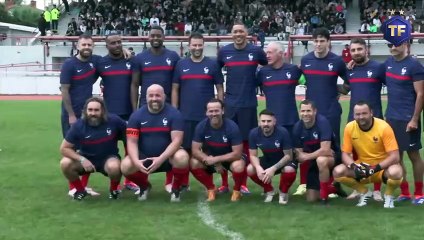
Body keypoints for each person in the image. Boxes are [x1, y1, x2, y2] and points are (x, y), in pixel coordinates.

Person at [295, 27, 348, 196]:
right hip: (309, 113)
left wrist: (337, 90)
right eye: (316, 41)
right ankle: (304, 183)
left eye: (322, 41)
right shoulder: (305, 60)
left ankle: (333, 184)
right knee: (306, 146)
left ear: (328, 42)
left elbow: (350, 82)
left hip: (331, 112)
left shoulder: (337, 61)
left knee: (332, 148)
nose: (318, 44)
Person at [217, 22, 268, 194]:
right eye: (235, 32)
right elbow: (216, 73)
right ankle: (224, 183)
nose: (238, 34)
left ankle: (242, 182)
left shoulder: (256, 51)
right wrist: (220, 99)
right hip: (230, 104)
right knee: (225, 143)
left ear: (246, 34)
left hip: (248, 104)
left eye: (241, 31)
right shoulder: (224, 52)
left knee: (246, 143)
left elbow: (268, 65)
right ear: (231, 34)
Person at [171, 32, 224, 192]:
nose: (197, 47)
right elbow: (175, 88)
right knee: (185, 150)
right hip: (185, 115)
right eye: (194, 45)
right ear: (189, 46)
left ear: (203, 45)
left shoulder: (212, 64)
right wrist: (174, 111)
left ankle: (223, 184)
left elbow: (220, 87)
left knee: (213, 149)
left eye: (199, 45)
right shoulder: (181, 64)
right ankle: (184, 183)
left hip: (207, 117)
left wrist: (220, 107)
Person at [121, 84, 189, 202]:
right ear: (146, 97)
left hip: (167, 157)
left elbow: (177, 141)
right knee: (125, 166)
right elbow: (131, 142)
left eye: (157, 95)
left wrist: (160, 159)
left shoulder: (174, 114)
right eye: (151, 95)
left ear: (164, 96)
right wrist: (136, 162)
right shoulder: (136, 116)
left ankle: (176, 189)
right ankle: (144, 186)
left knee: (182, 157)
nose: (154, 98)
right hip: (145, 157)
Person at [333, 101, 402, 208]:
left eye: (364, 113)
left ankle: (388, 195)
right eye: (357, 114)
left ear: (371, 113)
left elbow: (395, 156)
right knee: (338, 172)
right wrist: (354, 167)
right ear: (353, 115)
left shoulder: (384, 127)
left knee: (396, 172)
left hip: (382, 168)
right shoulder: (349, 127)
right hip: (362, 166)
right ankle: (364, 192)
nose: (361, 117)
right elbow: (345, 154)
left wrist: (375, 168)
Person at [343, 38, 386, 200]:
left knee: (376, 153)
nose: (356, 53)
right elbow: (345, 89)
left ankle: (376, 190)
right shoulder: (350, 70)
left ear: (366, 50)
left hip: (375, 119)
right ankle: (358, 188)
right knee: (354, 154)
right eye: (353, 50)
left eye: (359, 49)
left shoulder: (378, 67)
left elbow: (392, 85)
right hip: (353, 119)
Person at [59, 97, 126, 200]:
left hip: (108, 158)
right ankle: (80, 191)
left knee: (114, 167)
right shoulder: (78, 126)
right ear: (85, 111)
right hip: (86, 158)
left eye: (96, 110)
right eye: (90, 110)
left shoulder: (114, 121)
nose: (93, 113)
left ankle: (113, 191)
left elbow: (130, 135)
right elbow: (64, 148)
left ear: (103, 111)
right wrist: (82, 159)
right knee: (65, 163)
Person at [60, 34, 102, 196]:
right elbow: (64, 90)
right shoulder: (69, 64)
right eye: (83, 44)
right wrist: (71, 115)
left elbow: (110, 57)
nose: (86, 47)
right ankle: (73, 187)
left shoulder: (94, 62)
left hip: (87, 114)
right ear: (78, 46)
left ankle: (83, 186)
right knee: (72, 149)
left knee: (87, 149)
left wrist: (126, 50)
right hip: (71, 114)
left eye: (89, 45)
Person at [97, 33, 138, 191]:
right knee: (110, 150)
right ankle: (114, 185)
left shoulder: (131, 60)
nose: (117, 45)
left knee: (131, 148)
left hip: (128, 113)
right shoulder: (101, 63)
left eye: (119, 42)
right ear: (106, 46)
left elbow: (135, 85)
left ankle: (130, 180)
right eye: (113, 43)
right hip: (109, 115)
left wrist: (135, 111)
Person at [384, 40, 424, 204]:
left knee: (414, 155)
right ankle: (405, 192)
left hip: (408, 119)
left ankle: (420, 193)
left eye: (396, 44)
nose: (393, 47)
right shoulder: (388, 63)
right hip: (391, 118)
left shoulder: (415, 66)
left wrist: (414, 119)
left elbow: (421, 94)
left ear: (406, 44)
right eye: (390, 45)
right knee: (396, 156)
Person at [190, 99, 245, 202]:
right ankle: (211, 188)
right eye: (211, 111)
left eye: (216, 110)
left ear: (222, 111)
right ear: (206, 112)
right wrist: (209, 159)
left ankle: (237, 191)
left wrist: (215, 160)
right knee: (193, 162)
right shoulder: (201, 127)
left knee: (239, 165)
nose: (214, 114)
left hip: (230, 159)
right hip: (210, 159)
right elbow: (195, 150)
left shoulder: (232, 127)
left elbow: (237, 154)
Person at [292, 100, 346, 204]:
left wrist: (307, 156)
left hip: (333, 157)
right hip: (314, 160)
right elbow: (299, 155)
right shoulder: (297, 128)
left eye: (308, 111)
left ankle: (324, 197)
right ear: (299, 112)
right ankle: (334, 188)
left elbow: (326, 150)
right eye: (303, 111)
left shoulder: (322, 122)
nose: (305, 114)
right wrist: (306, 156)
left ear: (315, 111)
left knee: (321, 160)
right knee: (311, 199)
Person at [247, 110, 296, 204]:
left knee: (289, 169)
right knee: (250, 169)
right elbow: (253, 155)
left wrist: (273, 169)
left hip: (284, 160)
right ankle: (269, 190)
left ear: (274, 122)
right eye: (263, 121)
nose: (266, 124)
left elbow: (288, 156)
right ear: (259, 122)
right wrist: (258, 168)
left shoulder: (283, 132)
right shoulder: (253, 133)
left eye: (269, 121)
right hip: (268, 159)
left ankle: (283, 192)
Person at [131, 26, 180, 109]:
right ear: (149, 37)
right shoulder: (140, 57)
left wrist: (175, 106)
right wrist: (135, 109)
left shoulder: (173, 56)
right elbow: (135, 85)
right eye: (153, 36)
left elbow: (177, 85)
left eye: (158, 36)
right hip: (146, 105)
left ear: (163, 37)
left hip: (167, 105)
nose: (155, 38)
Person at [257, 41, 302, 131]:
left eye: (270, 53)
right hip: (271, 123)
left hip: (291, 122)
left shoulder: (294, 70)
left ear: (281, 54)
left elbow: (311, 81)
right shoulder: (262, 72)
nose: (267, 56)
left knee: (293, 145)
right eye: (266, 53)